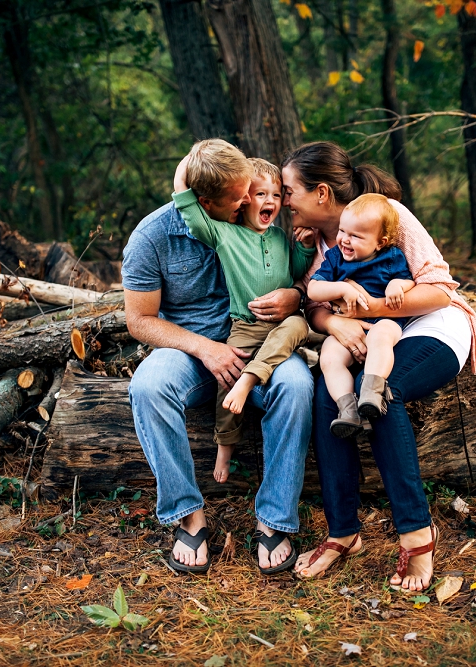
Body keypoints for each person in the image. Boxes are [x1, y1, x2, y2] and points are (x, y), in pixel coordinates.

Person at [283, 141, 476, 592]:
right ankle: (343, 531)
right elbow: (316, 307)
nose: (282, 201)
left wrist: (365, 308)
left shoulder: (386, 214)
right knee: (329, 395)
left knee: (382, 393)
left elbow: (437, 290)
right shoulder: (320, 243)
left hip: (430, 324)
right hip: (370, 333)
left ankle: (417, 534)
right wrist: (337, 323)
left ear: (320, 194)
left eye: (287, 190)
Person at [122, 139, 312, 576]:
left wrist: (294, 295)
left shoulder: (263, 227)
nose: (251, 200)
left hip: (259, 343)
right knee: (148, 387)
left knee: (298, 386)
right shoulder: (153, 237)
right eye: (240, 197)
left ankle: (274, 517)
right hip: (192, 348)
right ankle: (188, 512)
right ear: (204, 202)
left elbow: (306, 269)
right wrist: (204, 348)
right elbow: (139, 321)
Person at [172, 150, 316, 487]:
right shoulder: (225, 234)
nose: (271, 201)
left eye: (277, 195)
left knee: (298, 324)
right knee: (226, 379)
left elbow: (294, 271)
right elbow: (191, 212)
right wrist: (183, 174)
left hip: (284, 325)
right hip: (246, 327)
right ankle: (225, 445)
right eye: (261, 194)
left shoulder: (281, 238)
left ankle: (251, 379)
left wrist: (305, 248)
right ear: (244, 199)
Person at [307, 194, 416, 437]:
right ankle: (348, 409)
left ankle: (372, 392)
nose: (345, 239)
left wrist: (396, 286)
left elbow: (407, 280)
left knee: (381, 336)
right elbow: (314, 289)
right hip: (348, 326)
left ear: (380, 242)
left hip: (385, 321)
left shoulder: (391, 256)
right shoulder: (335, 257)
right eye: (342, 231)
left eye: (355, 236)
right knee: (329, 356)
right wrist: (342, 288)